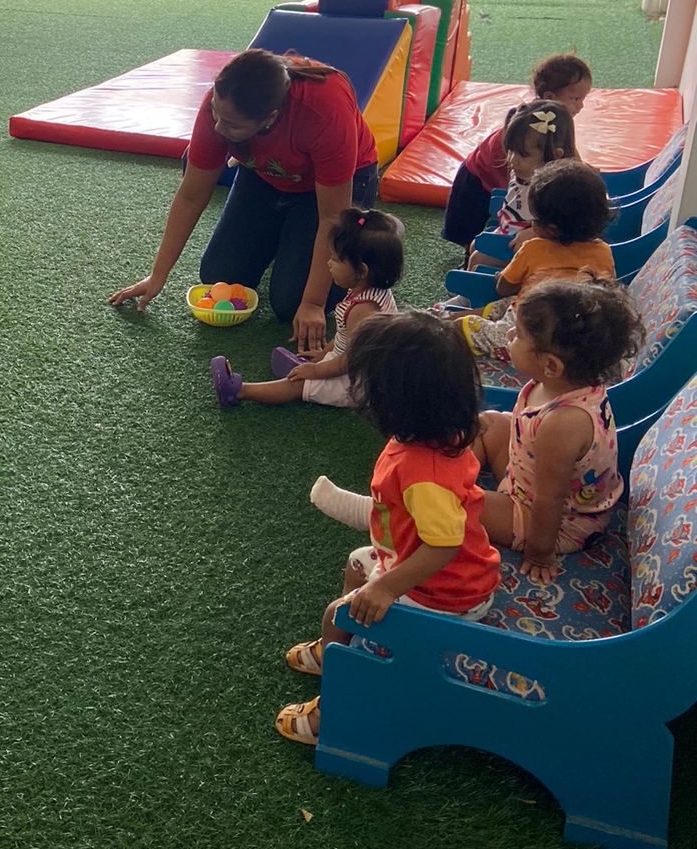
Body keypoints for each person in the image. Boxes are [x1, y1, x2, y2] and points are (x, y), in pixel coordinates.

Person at [275, 313, 501, 746]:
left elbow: (444, 546)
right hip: (433, 571)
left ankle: (335, 709)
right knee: (356, 566)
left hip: (447, 594)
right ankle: (335, 649)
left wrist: (386, 588)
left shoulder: (425, 474)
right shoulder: (436, 437)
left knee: (340, 612)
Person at [108, 49, 378, 354]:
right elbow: (191, 194)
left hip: (339, 185)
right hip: (267, 175)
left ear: (270, 118)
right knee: (219, 277)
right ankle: (288, 237)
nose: (219, 128)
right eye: (216, 114)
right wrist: (158, 275)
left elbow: (331, 217)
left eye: (233, 125)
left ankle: (311, 239)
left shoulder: (323, 109)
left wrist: (313, 303)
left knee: (290, 303)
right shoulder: (221, 106)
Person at [473, 280, 644, 588]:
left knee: (460, 503)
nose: (509, 335)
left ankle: (442, 487)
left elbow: (549, 499)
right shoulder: (561, 384)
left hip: (556, 523)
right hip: (525, 478)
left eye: (518, 335)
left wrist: (540, 553)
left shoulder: (563, 423)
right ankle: (448, 468)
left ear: (551, 365)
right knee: (489, 424)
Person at [210, 207, 402, 408]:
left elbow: (350, 359)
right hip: (362, 366)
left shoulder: (364, 310)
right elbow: (346, 336)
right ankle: (307, 368)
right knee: (310, 371)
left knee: (297, 384)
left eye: (336, 260)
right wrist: (323, 354)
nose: (328, 263)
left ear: (362, 271)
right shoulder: (369, 291)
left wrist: (316, 371)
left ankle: (237, 391)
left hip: (359, 383)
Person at [456, 159, 616, 362]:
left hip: (533, 328)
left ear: (551, 229)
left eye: (534, 220)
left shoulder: (533, 248)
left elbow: (503, 287)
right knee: (512, 303)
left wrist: (501, 277)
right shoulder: (604, 251)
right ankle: (482, 314)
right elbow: (606, 290)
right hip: (578, 331)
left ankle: (454, 324)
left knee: (477, 324)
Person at [443, 53, 592, 256]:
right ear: (550, 97)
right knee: (469, 235)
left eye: (583, 99)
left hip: (510, 185)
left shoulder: (555, 125)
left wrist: (583, 174)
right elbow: (515, 173)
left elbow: (569, 154)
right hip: (477, 179)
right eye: (575, 99)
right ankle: (473, 257)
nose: (580, 106)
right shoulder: (528, 132)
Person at [467, 100, 577, 270]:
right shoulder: (523, 172)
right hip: (511, 234)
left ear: (555, 156)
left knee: (478, 258)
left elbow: (569, 224)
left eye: (523, 155)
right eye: (510, 150)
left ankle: (472, 287)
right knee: (475, 246)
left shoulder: (557, 189)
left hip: (536, 247)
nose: (512, 160)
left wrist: (535, 232)